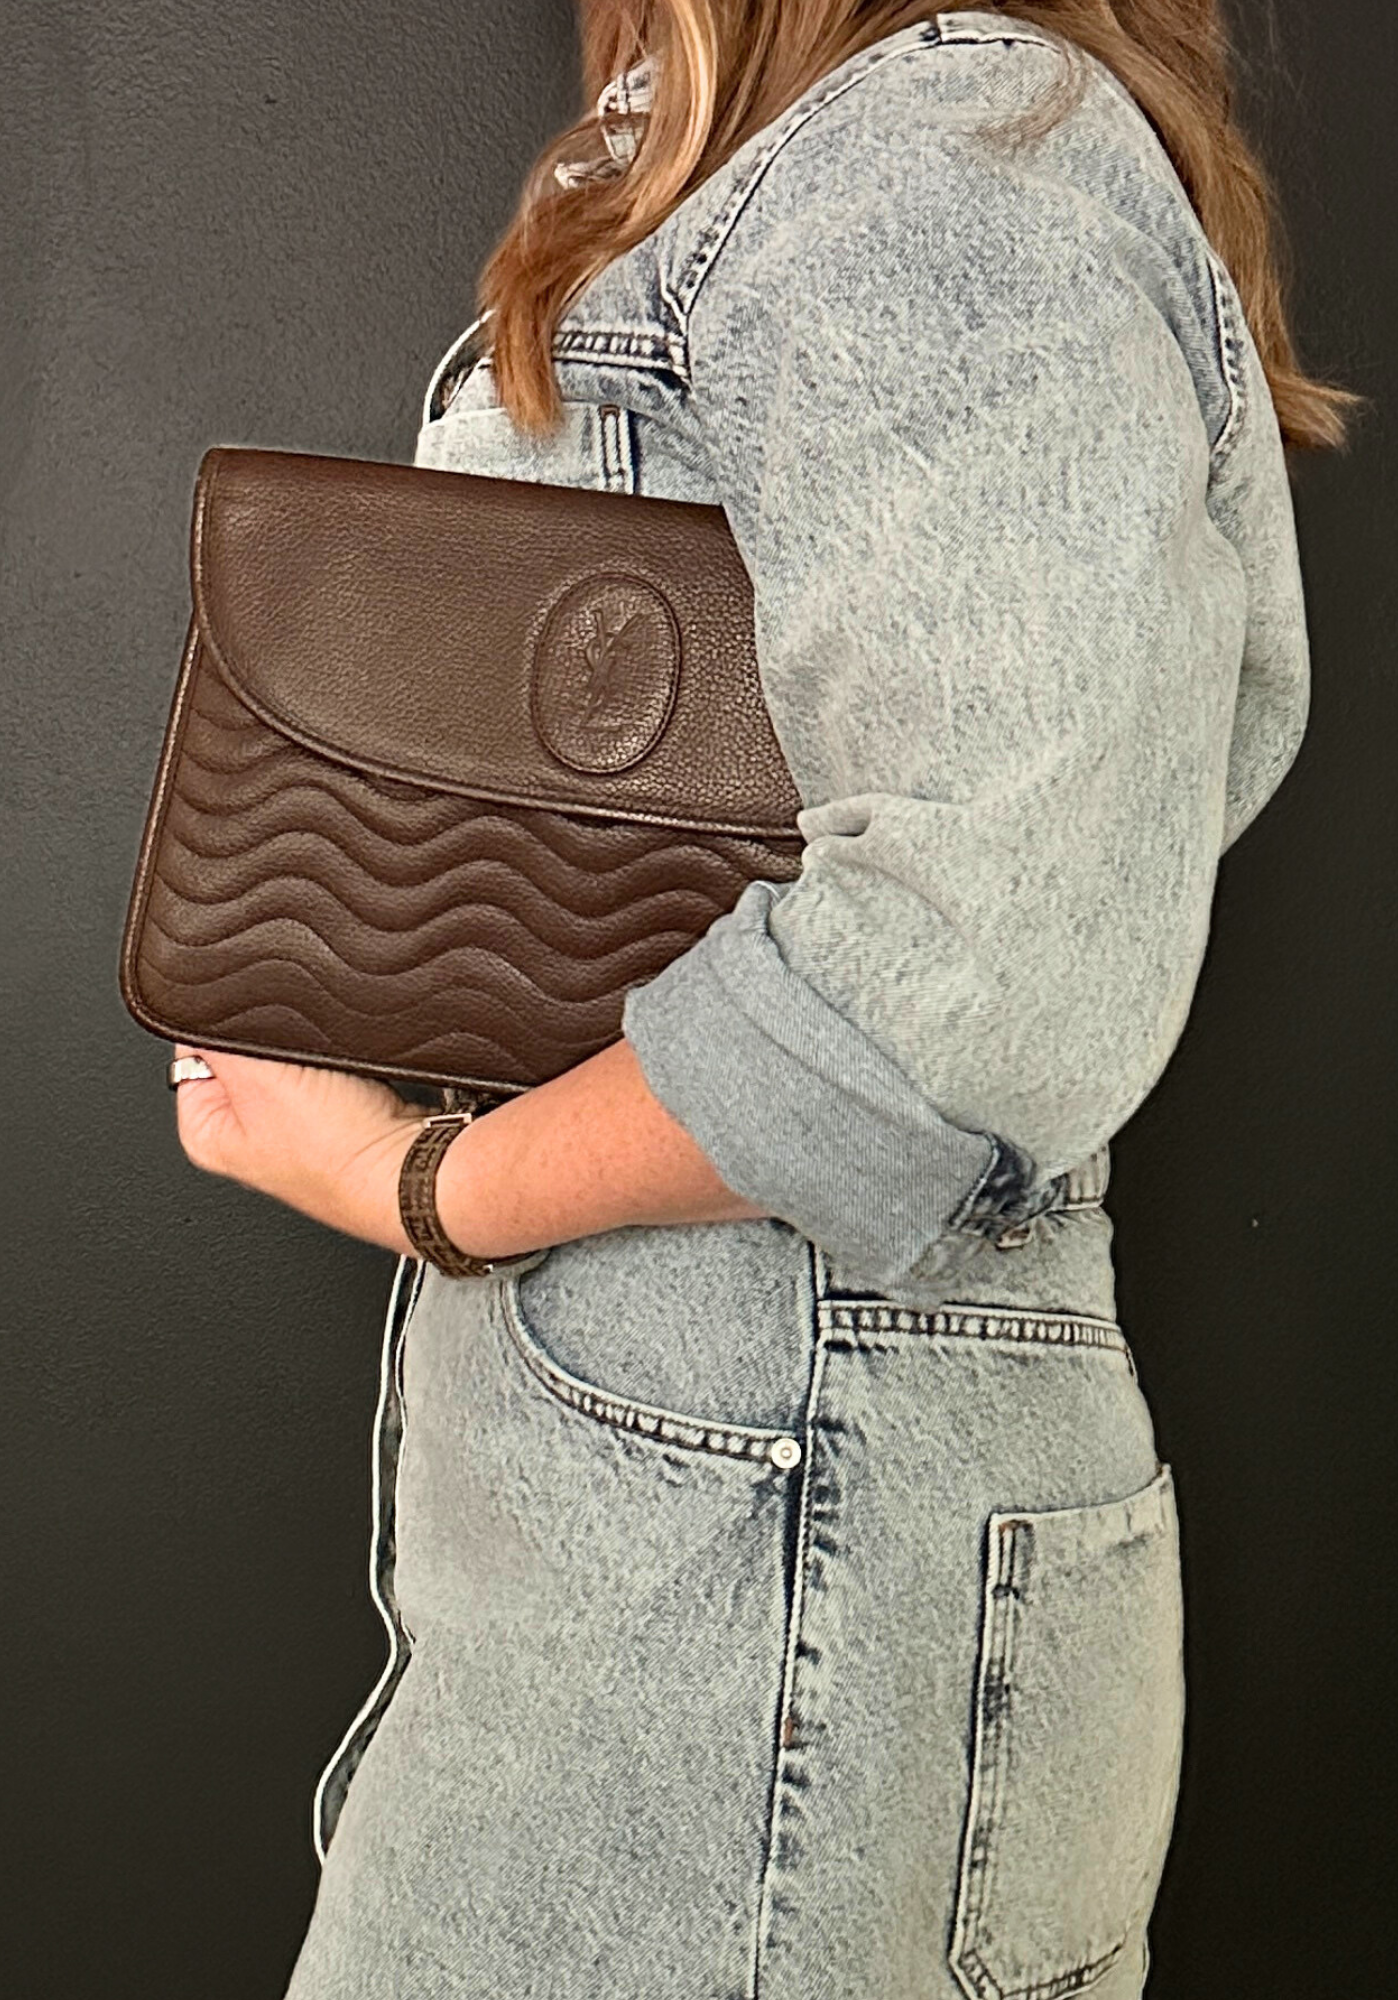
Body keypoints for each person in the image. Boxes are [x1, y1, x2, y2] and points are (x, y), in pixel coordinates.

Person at [170, 4, 1356, 1995]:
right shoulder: (804, 158)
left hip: (775, 1597)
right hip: (721, 1570)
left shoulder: (946, 158)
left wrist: (419, 1190)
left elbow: (966, 985)